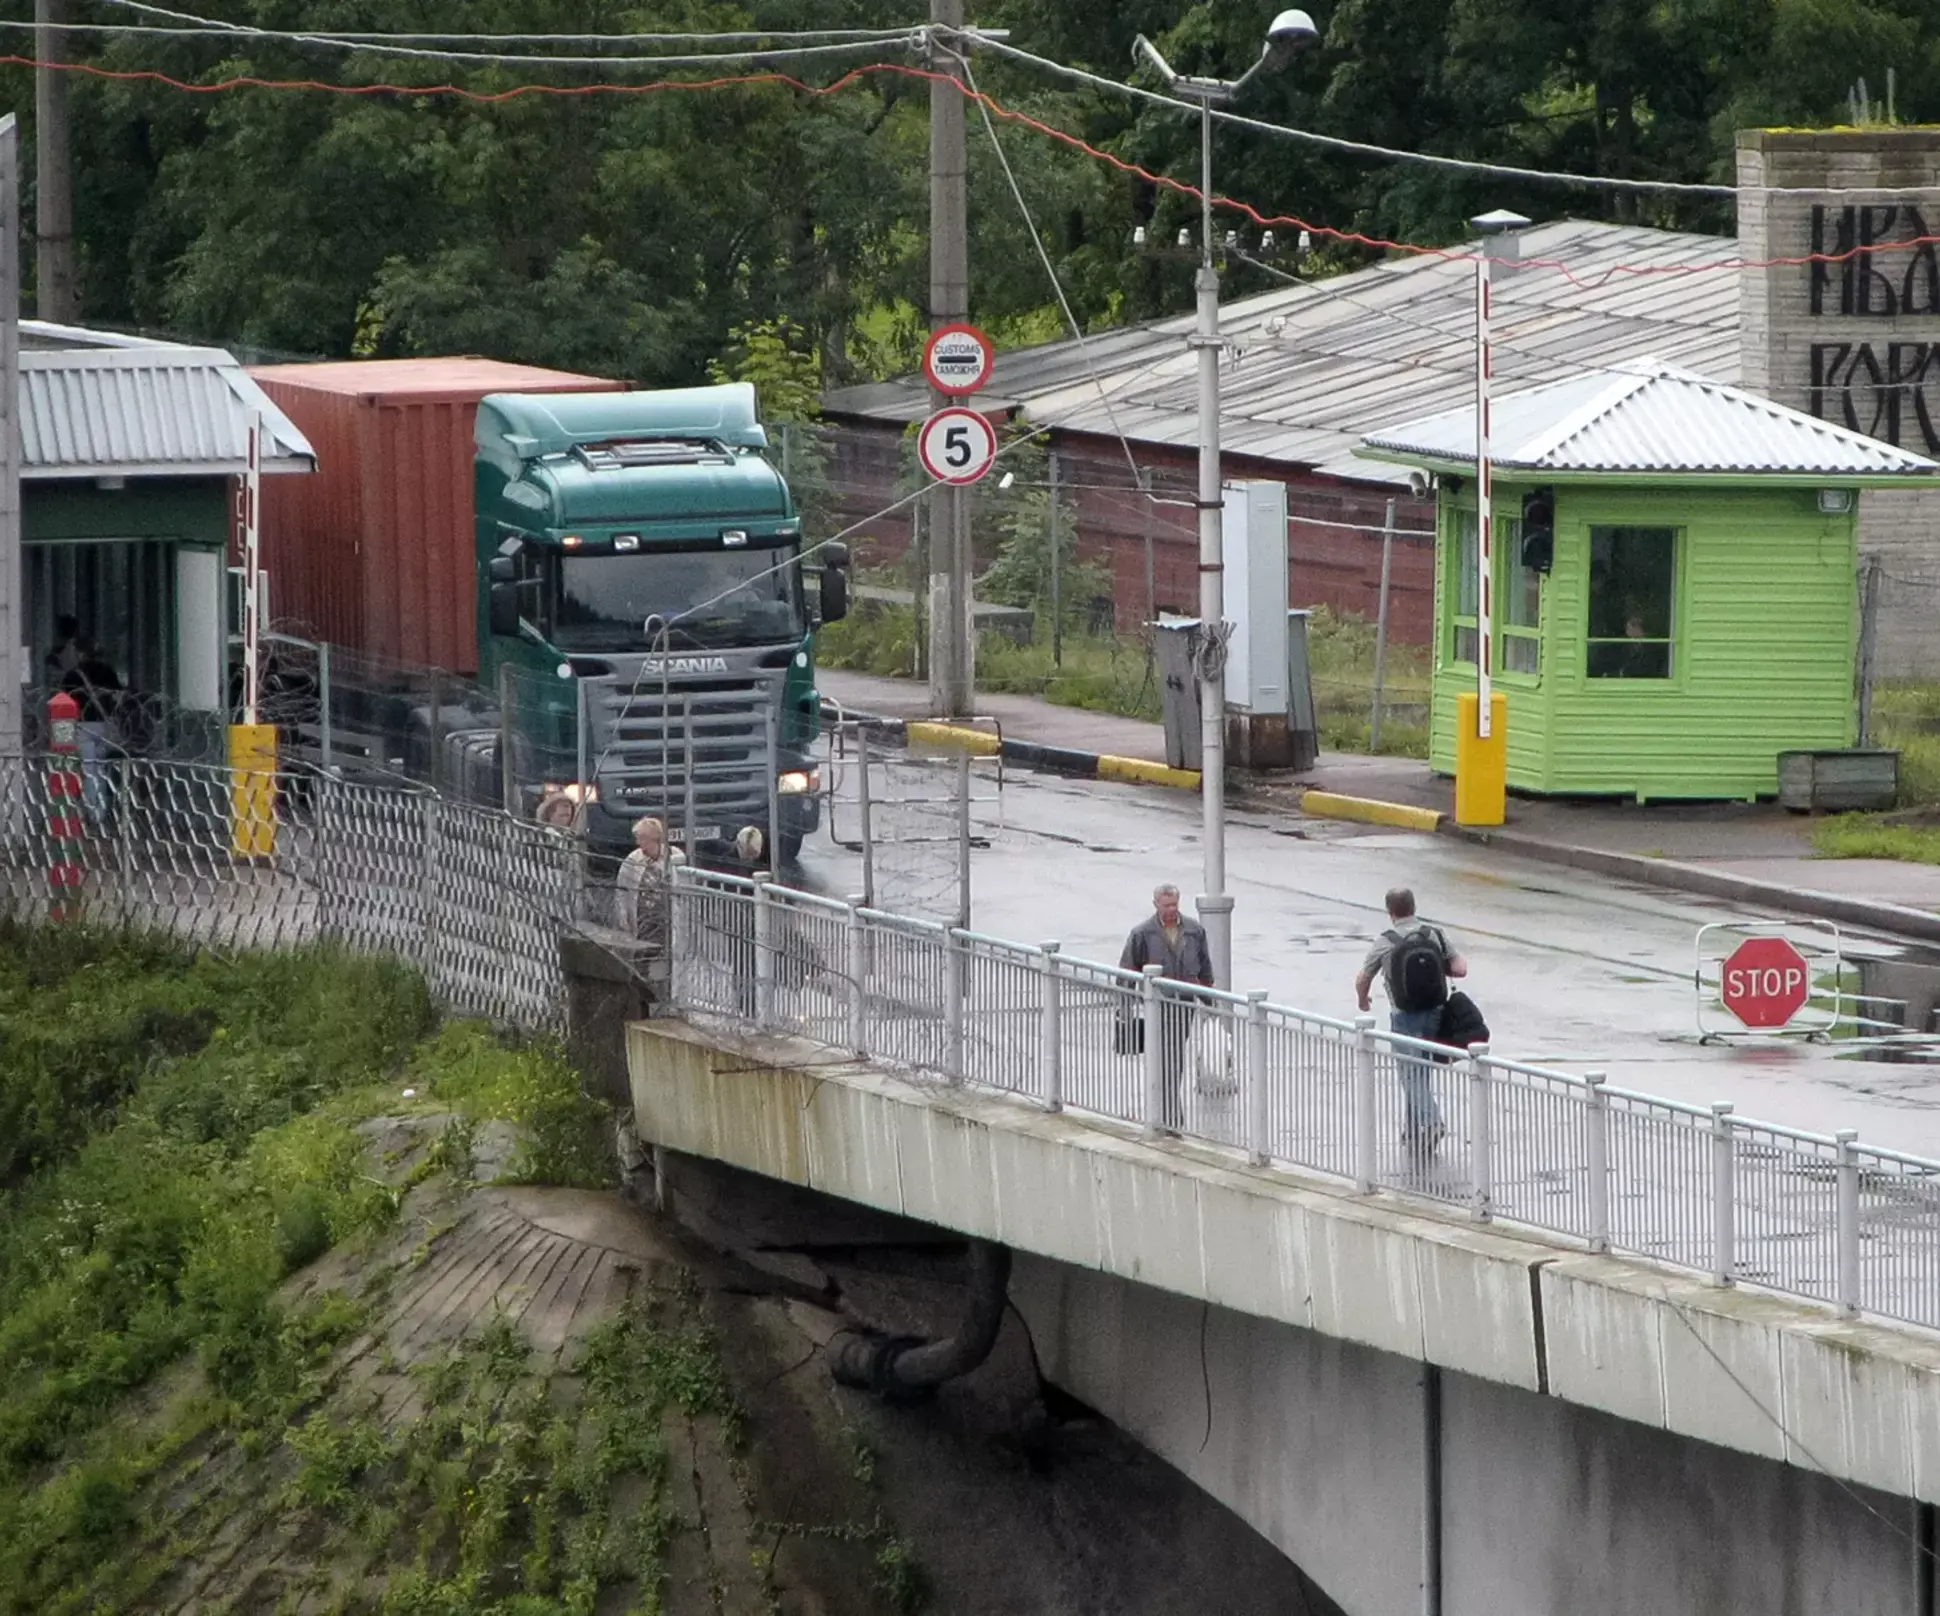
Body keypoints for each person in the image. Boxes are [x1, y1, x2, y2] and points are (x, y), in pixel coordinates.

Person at [1354, 888, 1468, 1155]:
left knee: (1410, 1074)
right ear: (1413, 907)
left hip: (1404, 1016)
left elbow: (1363, 977)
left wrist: (1363, 1000)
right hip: (1436, 1012)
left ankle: (1431, 1122)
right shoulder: (1434, 934)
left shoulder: (1386, 941)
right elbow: (1460, 967)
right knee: (1420, 1072)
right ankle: (1414, 1129)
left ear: (1390, 911)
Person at [1119, 883, 1215, 1135]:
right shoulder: (1142, 933)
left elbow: (1204, 967)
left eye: (1174, 904)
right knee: (1165, 1060)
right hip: (1156, 1006)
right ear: (1156, 905)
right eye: (1166, 905)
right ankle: (1170, 1116)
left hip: (1183, 1004)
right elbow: (1127, 971)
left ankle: (1169, 1116)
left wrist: (1209, 1001)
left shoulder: (1194, 930)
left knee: (1173, 1059)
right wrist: (1125, 1008)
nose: (1171, 909)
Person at [612, 815, 684, 945]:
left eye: (641, 838)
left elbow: (684, 888)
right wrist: (622, 914)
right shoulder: (633, 859)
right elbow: (622, 888)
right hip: (642, 920)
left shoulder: (674, 856)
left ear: (654, 838)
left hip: (668, 918)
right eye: (638, 838)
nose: (638, 843)